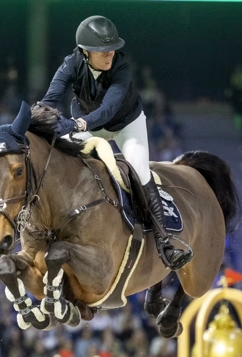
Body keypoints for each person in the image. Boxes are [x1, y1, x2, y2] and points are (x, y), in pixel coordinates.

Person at [39, 15, 192, 270]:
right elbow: (50, 98)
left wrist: (78, 124)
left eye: (112, 48)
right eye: (102, 50)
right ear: (86, 52)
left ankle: (165, 243)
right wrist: (34, 120)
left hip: (125, 126)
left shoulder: (121, 68)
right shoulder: (70, 64)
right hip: (88, 123)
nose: (109, 53)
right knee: (55, 159)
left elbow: (108, 110)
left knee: (140, 170)